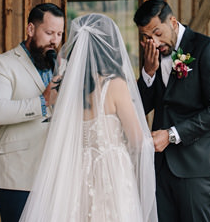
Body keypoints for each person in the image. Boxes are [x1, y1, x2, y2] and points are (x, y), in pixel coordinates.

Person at [19, 13, 157, 222]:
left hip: (75, 173)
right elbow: (137, 140)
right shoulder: (114, 85)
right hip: (111, 176)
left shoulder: (66, 87)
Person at [134, 0, 210, 222]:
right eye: (147, 37)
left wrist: (171, 134)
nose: (154, 42)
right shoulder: (153, 53)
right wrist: (148, 73)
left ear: (173, 21)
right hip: (160, 167)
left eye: (157, 33)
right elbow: (140, 106)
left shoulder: (206, 49)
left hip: (197, 166)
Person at [0, 3, 64, 222]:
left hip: (56, 175)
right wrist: (43, 102)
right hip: (17, 177)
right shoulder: (2, 64)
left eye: (59, 34)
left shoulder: (63, 66)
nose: (54, 40)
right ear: (30, 30)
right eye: (49, 33)